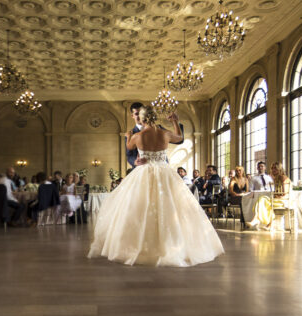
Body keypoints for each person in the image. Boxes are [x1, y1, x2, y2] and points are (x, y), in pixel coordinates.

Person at [89, 104, 223, 267]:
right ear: (154, 117)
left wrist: (128, 136)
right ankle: (173, 244)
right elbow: (179, 138)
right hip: (165, 172)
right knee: (170, 207)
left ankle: (141, 245)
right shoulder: (164, 133)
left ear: (142, 118)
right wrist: (175, 122)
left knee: (139, 207)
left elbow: (129, 147)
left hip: (144, 173)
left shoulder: (137, 136)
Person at [124, 102, 145, 170]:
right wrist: (135, 162)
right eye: (136, 114)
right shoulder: (130, 135)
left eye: (141, 113)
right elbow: (129, 156)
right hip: (139, 170)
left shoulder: (158, 129)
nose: (140, 116)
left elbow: (176, 140)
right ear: (132, 116)